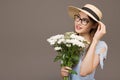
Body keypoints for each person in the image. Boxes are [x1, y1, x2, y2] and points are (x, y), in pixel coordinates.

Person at [60, 4, 108, 80]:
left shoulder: (100, 46)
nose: (78, 22)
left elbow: (83, 72)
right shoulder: (69, 42)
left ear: (94, 25)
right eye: (78, 17)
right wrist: (63, 73)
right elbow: (66, 73)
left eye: (85, 20)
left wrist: (95, 41)